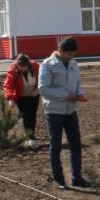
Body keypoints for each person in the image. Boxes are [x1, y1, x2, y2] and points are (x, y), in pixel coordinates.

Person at [39, 37, 89, 189]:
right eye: (68, 54)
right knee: (56, 146)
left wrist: (80, 94)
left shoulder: (73, 64)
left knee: (76, 145)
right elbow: (43, 89)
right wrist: (67, 95)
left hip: (71, 110)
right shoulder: (48, 65)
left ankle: (77, 177)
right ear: (60, 51)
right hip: (54, 111)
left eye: (73, 55)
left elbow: (77, 83)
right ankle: (59, 179)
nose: (71, 57)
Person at [2, 53, 41, 148]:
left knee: (32, 114)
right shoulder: (12, 69)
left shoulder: (35, 66)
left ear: (28, 64)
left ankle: (31, 135)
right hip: (22, 96)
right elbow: (8, 85)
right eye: (20, 67)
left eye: (24, 67)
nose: (22, 69)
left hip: (34, 94)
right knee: (26, 115)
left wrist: (39, 88)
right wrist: (11, 98)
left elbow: (42, 78)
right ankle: (29, 137)